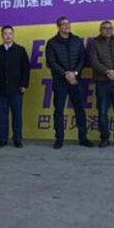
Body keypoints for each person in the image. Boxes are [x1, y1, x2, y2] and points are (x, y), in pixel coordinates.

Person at [45, 16, 90, 149]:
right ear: (58, 27)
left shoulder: (77, 40)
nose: (66, 26)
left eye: (68, 23)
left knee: (80, 109)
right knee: (59, 110)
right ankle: (59, 139)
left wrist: (74, 73)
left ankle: (83, 138)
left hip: (76, 80)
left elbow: (83, 59)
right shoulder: (52, 43)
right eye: (63, 24)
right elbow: (51, 62)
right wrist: (65, 74)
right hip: (60, 81)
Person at [0, 25, 31, 148]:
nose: (8, 36)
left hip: (17, 89)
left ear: (13, 35)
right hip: (1, 89)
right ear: (1, 35)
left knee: (17, 115)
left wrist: (24, 84)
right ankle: (2, 139)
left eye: (10, 33)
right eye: (5, 34)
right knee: (2, 116)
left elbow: (26, 69)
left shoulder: (20, 50)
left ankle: (17, 139)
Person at [89, 20, 114, 148]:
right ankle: (104, 138)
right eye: (104, 28)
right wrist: (107, 72)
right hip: (102, 82)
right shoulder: (94, 43)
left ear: (112, 30)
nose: (107, 30)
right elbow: (94, 61)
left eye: (110, 28)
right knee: (102, 111)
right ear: (100, 30)